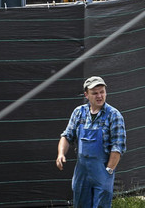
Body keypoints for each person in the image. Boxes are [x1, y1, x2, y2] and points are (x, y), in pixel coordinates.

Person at [56, 76, 126, 208]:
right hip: (82, 171)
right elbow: (66, 136)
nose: (99, 96)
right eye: (95, 93)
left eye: (102, 92)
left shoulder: (114, 115)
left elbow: (118, 147)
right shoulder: (79, 113)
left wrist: (108, 171)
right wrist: (61, 154)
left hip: (102, 171)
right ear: (86, 95)